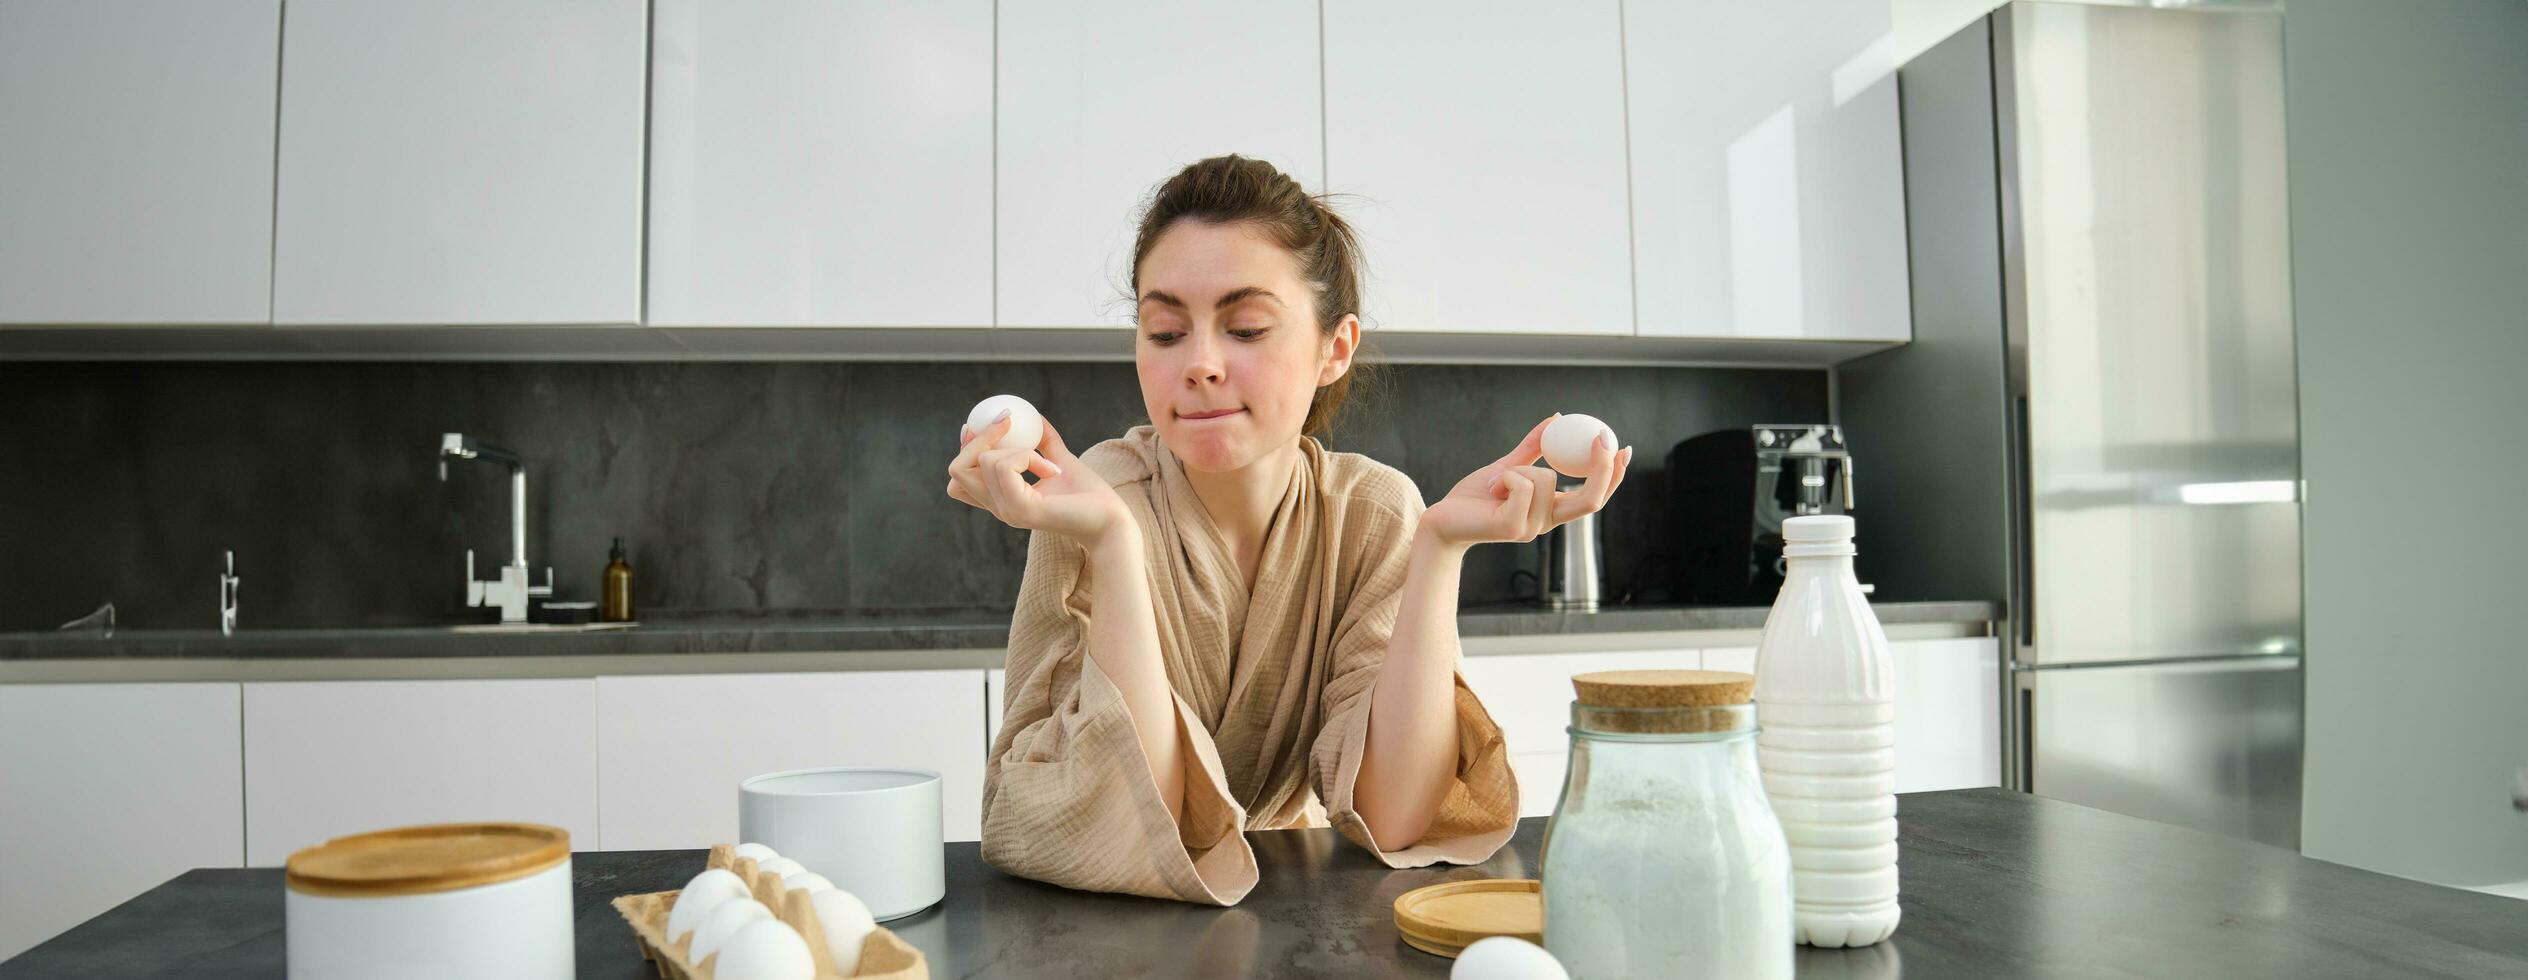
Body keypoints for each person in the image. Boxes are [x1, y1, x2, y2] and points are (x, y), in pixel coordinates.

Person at [943, 155, 1633, 905]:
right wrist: (1111, 547)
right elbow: (1128, 822)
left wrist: (1439, 549)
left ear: (1334, 349)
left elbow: (1400, 818)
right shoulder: (1097, 502)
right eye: (1166, 331)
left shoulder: (1371, 512)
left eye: (1244, 328)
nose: (1200, 363)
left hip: (1295, 914)